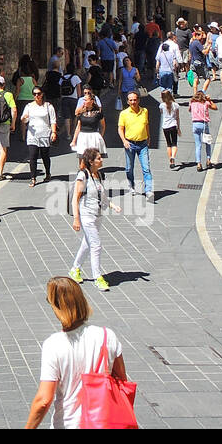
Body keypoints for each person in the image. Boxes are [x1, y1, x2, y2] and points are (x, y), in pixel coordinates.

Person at [24, 276, 130, 429]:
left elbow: (44, 400)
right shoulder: (107, 336)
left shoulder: (53, 345)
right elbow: (121, 380)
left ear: (57, 306)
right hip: (104, 422)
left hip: (68, 423)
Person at [68, 147, 121, 292]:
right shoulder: (82, 176)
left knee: (87, 243)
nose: (101, 160)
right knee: (96, 245)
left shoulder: (99, 175)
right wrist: (76, 219)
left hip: (98, 214)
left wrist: (112, 205)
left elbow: (101, 195)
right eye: (98, 158)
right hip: (86, 216)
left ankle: (75, 269)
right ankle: (98, 277)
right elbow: (75, 199)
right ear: (91, 161)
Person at [118, 91, 153, 201]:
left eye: (135, 99)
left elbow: (146, 124)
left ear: (138, 100)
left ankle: (148, 191)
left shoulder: (144, 111)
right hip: (130, 144)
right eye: (131, 100)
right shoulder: (124, 113)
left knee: (146, 168)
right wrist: (124, 140)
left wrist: (149, 137)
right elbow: (120, 129)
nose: (133, 102)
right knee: (129, 168)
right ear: (128, 101)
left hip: (143, 144)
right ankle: (131, 185)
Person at [22, 85, 58, 187]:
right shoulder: (29, 106)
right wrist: (24, 118)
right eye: (34, 94)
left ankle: (48, 173)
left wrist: (54, 133)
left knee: (45, 156)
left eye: (38, 94)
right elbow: (24, 120)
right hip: (32, 135)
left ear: (42, 94)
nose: (36, 96)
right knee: (32, 157)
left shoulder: (48, 106)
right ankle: (33, 178)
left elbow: (53, 120)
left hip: (45, 135)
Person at [71, 87, 106, 158]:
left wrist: (100, 136)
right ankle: (82, 169)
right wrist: (74, 140)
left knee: (93, 157)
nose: (84, 102)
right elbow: (78, 126)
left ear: (92, 101)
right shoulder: (81, 113)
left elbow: (103, 126)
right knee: (82, 158)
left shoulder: (97, 113)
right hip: (83, 136)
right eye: (85, 93)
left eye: (86, 100)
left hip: (94, 136)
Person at [189, 89, 219, 171]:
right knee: (207, 142)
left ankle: (198, 164)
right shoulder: (205, 103)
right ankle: (208, 160)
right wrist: (209, 100)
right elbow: (215, 108)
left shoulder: (192, 103)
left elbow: (189, 110)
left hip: (195, 124)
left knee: (198, 145)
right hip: (204, 124)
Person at [60, 63, 83, 143]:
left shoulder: (62, 78)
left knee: (66, 117)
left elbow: (60, 88)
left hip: (64, 98)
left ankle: (68, 134)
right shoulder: (76, 77)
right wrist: (80, 99)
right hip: (74, 99)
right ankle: (73, 131)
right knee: (75, 116)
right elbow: (79, 89)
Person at [160, 90, 180, 169]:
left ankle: (170, 160)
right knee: (174, 143)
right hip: (173, 125)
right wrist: (178, 127)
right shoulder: (175, 105)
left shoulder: (161, 105)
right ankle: (173, 157)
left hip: (165, 126)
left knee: (168, 144)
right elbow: (177, 117)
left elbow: (161, 112)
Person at [187, 27, 211, 94]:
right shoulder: (197, 43)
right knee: (208, 78)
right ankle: (203, 92)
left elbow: (190, 55)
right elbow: (205, 52)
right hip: (200, 63)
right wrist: (209, 46)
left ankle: (195, 94)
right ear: (197, 36)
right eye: (201, 37)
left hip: (193, 63)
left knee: (195, 79)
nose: (202, 39)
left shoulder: (191, 43)